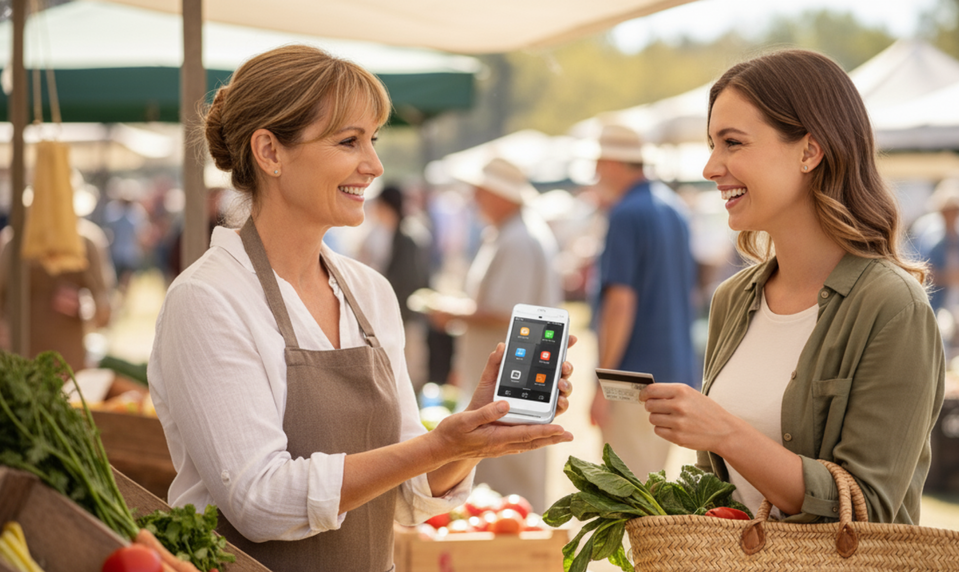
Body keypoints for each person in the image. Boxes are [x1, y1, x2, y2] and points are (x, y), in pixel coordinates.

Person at [146, 45, 575, 572]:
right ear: (270, 152)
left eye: (372, 140)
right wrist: (436, 446)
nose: (373, 165)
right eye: (349, 141)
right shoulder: (208, 300)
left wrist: (470, 434)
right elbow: (259, 502)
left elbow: (408, 497)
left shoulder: (369, 292)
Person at [639, 49, 944, 524]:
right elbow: (722, 495)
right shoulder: (732, 299)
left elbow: (871, 507)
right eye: (712, 144)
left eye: (732, 143)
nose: (710, 167)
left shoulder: (892, 306)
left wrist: (725, 433)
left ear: (809, 151)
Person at [427, 157, 563, 513]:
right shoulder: (515, 232)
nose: (475, 198)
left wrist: (450, 310)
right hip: (512, 374)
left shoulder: (516, 238)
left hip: (512, 378)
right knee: (507, 479)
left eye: (482, 191)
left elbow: (506, 310)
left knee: (507, 483)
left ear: (502, 195)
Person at [586, 124, 699, 479]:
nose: (595, 171)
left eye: (599, 161)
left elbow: (620, 302)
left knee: (626, 493)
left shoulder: (626, 214)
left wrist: (604, 383)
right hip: (674, 372)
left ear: (615, 162)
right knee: (651, 486)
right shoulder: (674, 208)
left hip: (632, 377)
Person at [0, 189, 115, 372]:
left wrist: (83, 307)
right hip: (22, 355)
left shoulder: (87, 242)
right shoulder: (13, 243)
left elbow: (104, 307)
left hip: (69, 358)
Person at [357, 184, 433, 390]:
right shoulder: (387, 233)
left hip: (405, 315)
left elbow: (408, 281)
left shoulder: (407, 237)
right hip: (398, 314)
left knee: (408, 373)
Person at [924, 178, 959, 345]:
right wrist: (947, 277)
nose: (950, 215)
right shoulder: (932, 241)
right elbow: (924, 272)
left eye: (954, 210)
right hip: (940, 302)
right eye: (947, 211)